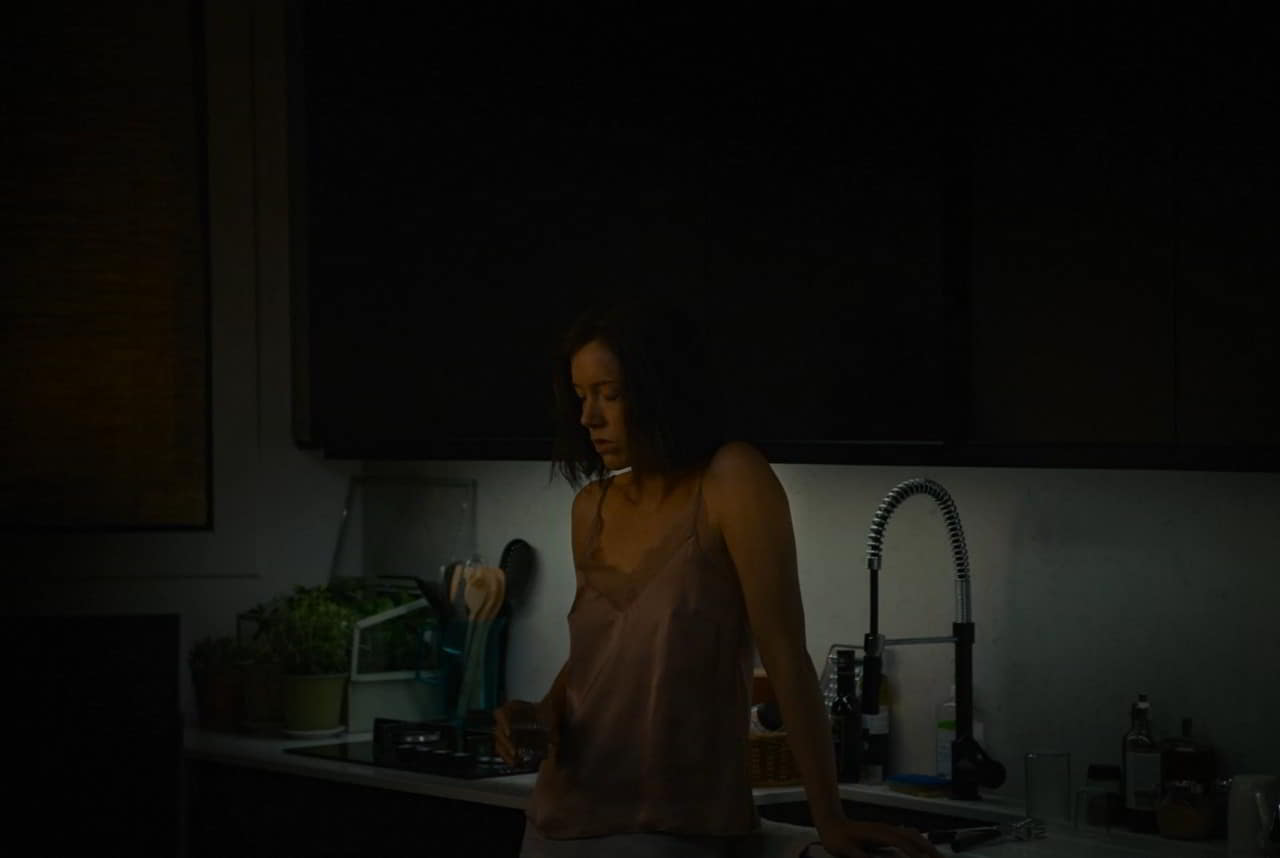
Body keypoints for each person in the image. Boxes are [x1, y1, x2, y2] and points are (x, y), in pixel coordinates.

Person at [494, 298, 943, 858]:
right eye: (582, 396)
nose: (590, 418)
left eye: (610, 394)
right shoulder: (592, 507)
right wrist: (538, 714)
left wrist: (830, 818)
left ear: (661, 390)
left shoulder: (731, 480)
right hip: (556, 821)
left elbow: (786, 656)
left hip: (677, 826)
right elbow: (602, 657)